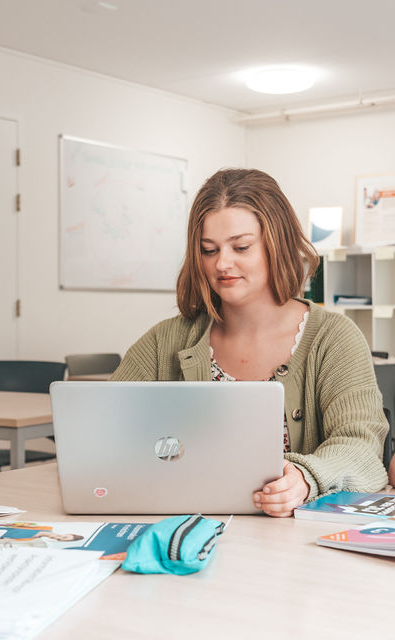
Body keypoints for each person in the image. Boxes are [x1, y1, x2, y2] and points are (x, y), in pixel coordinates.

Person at [112, 168, 388, 517]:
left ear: (278, 244)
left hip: (292, 545)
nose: (222, 264)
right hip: (187, 525)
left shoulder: (333, 338)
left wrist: (306, 477)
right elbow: (109, 428)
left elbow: (361, 446)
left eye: (241, 247)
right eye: (208, 250)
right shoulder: (164, 340)